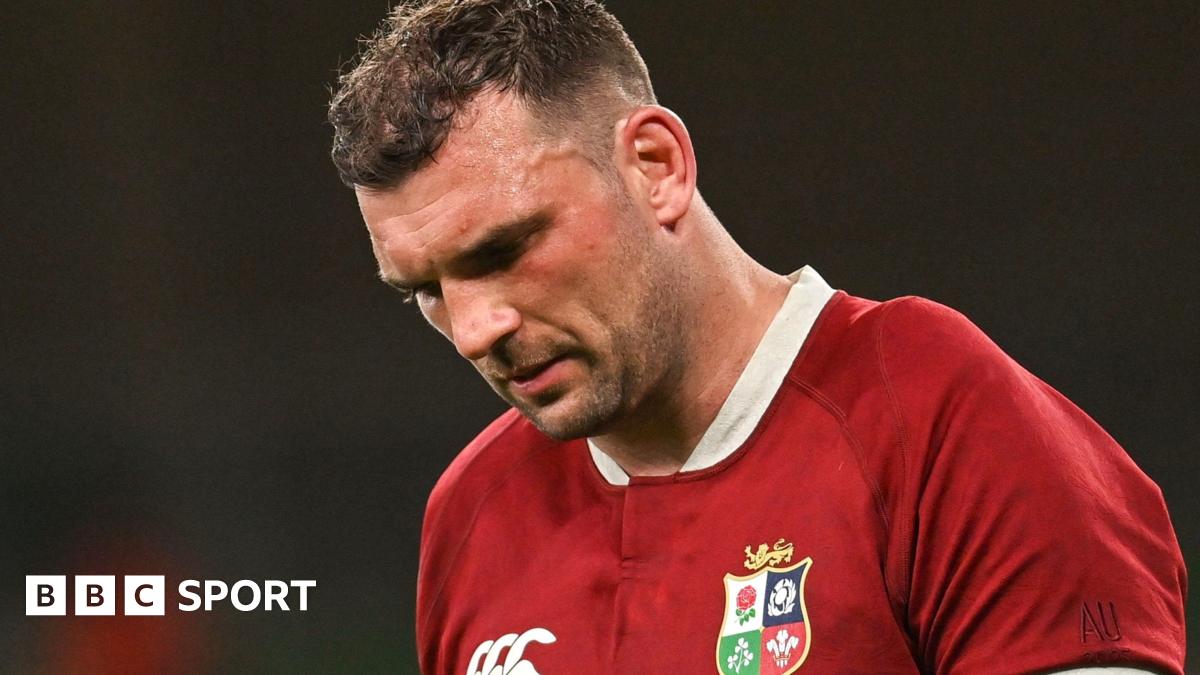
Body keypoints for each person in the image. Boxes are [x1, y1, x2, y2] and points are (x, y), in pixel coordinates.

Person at [328, 1, 1187, 673]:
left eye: (506, 249)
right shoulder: (473, 512)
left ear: (655, 167)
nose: (476, 328)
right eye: (426, 292)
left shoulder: (934, 414)